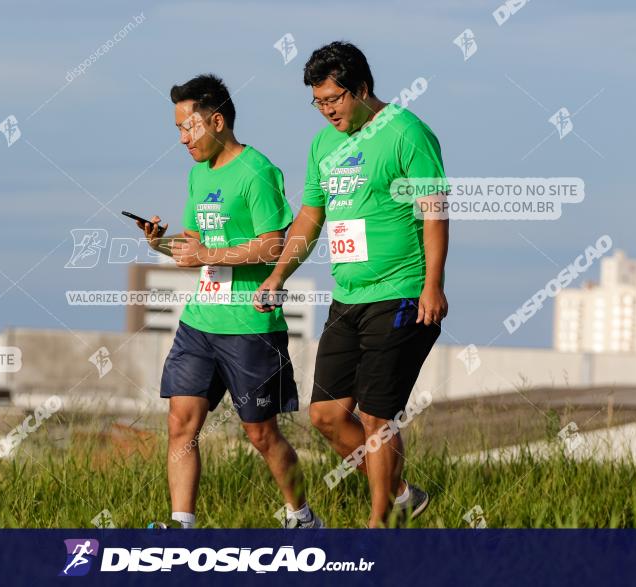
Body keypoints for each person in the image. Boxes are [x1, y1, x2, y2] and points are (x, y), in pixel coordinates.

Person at [256, 42, 449, 528]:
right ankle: (402, 493)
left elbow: (434, 211)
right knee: (324, 414)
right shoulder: (324, 145)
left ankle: (379, 526)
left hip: (401, 292)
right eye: (318, 102)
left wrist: (432, 285)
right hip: (348, 299)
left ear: (362, 89)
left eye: (334, 100)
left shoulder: (406, 132)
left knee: (377, 417)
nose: (327, 111)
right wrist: (278, 275)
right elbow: (309, 217)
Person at [137, 73, 322, 529]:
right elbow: (195, 245)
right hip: (201, 321)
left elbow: (275, 245)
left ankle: (301, 516)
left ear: (216, 121)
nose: (182, 139)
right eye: (178, 129)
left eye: (188, 127)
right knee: (181, 422)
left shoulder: (257, 171)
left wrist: (207, 253)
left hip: (250, 325)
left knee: (260, 432)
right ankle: (182, 525)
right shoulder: (199, 175)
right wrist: (161, 243)